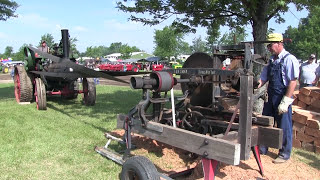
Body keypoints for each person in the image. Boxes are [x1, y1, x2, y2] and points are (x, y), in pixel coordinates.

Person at [258, 33, 300, 163]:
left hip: (282, 96)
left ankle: (284, 153)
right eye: (268, 46)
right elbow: (263, 79)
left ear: (279, 43)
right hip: (271, 96)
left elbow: (293, 81)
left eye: (270, 45)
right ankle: (263, 148)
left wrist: (286, 101)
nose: (269, 48)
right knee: (266, 121)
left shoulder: (289, 59)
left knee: (284, 125)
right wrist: (253, 86)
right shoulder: (271, 60)